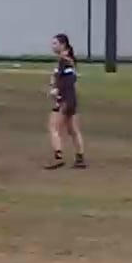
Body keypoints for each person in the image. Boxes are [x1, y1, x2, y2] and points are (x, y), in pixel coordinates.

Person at [46, 33, 87, 169]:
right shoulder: (66, 60)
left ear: (63, 45)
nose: (52, 46)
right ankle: (80, 158)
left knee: (53, 127)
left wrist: (57, 90)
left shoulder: (65, 60)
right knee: (73, 130)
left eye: (55, 43)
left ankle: (58, 157)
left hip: (65, 99)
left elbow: (70, 79)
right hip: (71, 99)